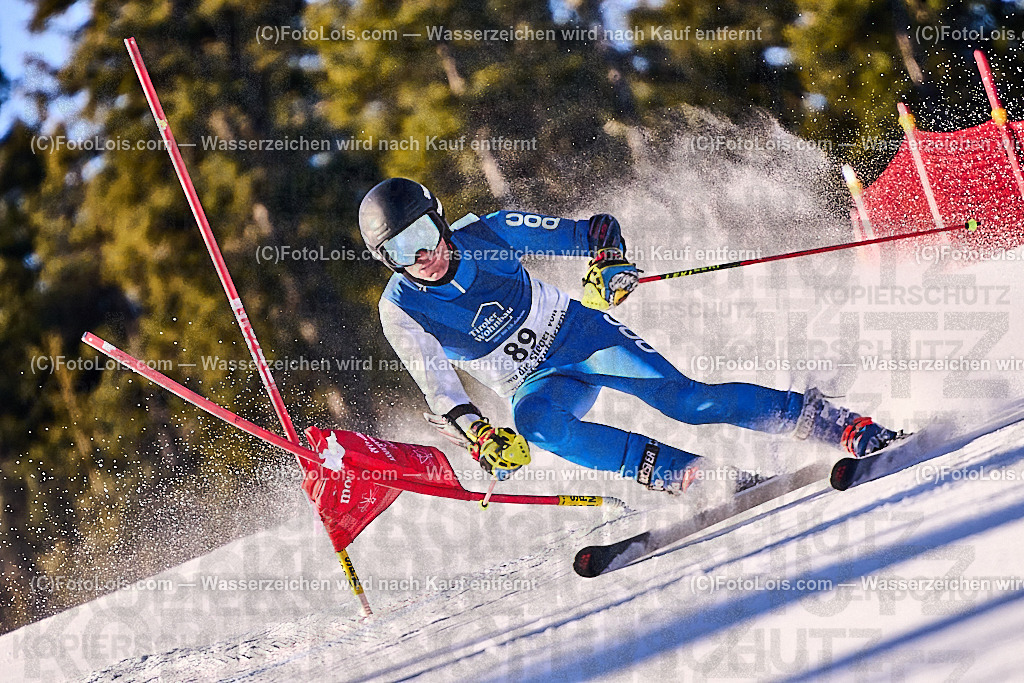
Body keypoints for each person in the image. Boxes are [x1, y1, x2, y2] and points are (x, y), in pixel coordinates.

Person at [358, 177, 899, 493]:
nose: (423, 258)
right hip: (536, 382)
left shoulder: (491, 233)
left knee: (689, 402)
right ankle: (690, 476)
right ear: (386, 262)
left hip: (582, 337)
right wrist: (480, 436)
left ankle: (837, 424)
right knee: (536, 425)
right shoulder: (400, 310)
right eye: (401, 253)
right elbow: (441, 390)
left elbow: (594, 232)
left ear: (441, 221)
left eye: (425, 236)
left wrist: (611, 263)